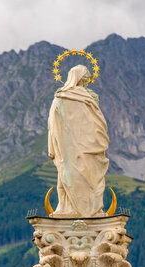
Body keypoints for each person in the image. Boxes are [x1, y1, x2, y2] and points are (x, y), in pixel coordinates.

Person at [47, 65, 109, 218]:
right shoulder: (61, 97)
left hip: (86, 144)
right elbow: (53, 124)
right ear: (79, 77)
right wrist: (53, 145)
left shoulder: (88, 96)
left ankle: (90, 209)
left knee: (88, 175)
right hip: (69, 146)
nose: (87, 80)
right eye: (85, 77)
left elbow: (95, 121)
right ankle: (65, 208)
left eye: (88, 77)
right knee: (66, 176)